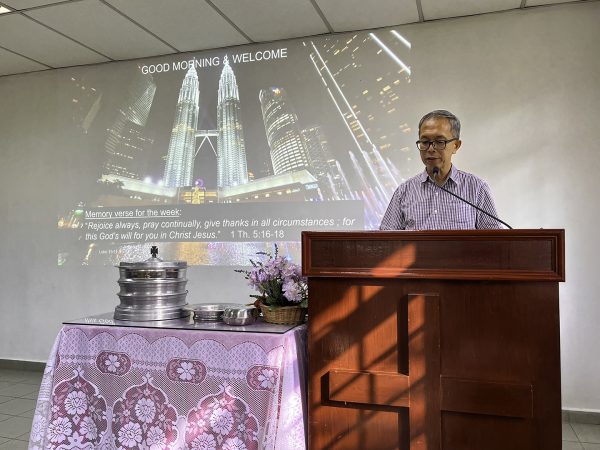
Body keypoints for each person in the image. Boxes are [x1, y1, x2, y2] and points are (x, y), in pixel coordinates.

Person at [380, 109, 504, 230]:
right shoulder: (404, 192)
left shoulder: (477, 188)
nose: (430, 149)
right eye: (425, 142)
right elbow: (384, 242)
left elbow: (497, 242)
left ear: (456, 145)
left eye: (439, 142)